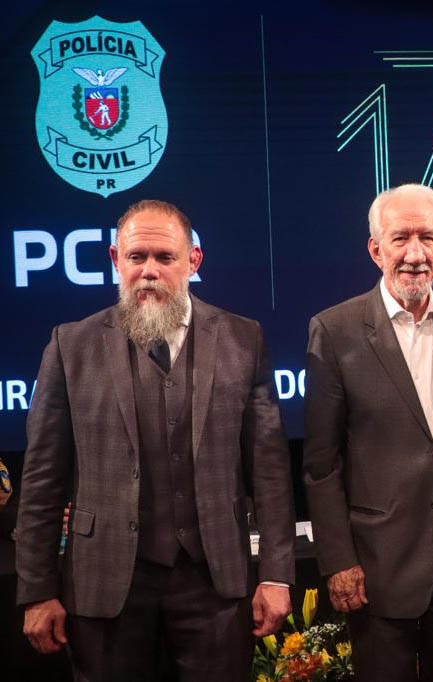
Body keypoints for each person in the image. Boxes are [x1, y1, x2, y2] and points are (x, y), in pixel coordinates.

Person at [16, 199, 295, 680]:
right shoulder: (71, 345)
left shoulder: (243, 338)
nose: (149, 271)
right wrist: (38, 590)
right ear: (115, 260)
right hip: (105, 584)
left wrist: (275, 574)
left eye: (165, 258)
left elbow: (269, 471)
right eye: (136, 257)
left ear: (193, 260)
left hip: (214, 583)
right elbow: (43, 479)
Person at [303, 183, 433, 682]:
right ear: (376, 249)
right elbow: (321, 465)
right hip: (377, 565)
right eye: (400, 238)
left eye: (427, 238)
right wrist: (338, 559)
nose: (415, 254)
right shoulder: (334, 330)